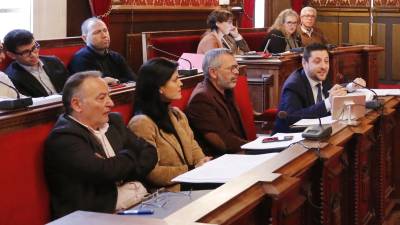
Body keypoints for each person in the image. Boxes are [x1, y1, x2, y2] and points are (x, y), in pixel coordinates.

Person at [44, 71, 157, 219]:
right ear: (77, 104)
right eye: (102, 98)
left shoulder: (114, 122)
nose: (111, 103)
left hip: (135, 203)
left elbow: (150, 152)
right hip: (93, 216)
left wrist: (119, 167)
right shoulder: (63, 138)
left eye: (108, 96)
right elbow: (105, 172)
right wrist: (130, 154)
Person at [128, 58, 211, 192]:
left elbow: (193, 145)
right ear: (159, 87)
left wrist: (203, 163)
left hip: (190, 180)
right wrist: (191, 170)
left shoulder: (176, 114)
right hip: (167, 191)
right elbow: (152, 173)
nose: (181, 83)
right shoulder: (141, 123)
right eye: (175, 80)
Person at [274, 43, 366, 133]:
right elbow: (291, 118)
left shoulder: (320, 75)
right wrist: (328, 102)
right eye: (317, 61)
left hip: (319, 134)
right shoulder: (293, 85)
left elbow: (333, 90)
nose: (323, 66)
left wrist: (351, 86)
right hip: (292, 140)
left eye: (326, 61)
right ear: (304, 63)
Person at [185, 48, 248, 157]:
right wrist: (254, 147)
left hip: (239, 152)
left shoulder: (226, 89)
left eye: (237, 67)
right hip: (220, 160)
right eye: (231, 68)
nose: (237, 72)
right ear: (213, 72)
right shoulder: (201, 99)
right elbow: (222, 142)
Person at [3, 29, 69, 97]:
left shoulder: (54, 61)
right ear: (11, 55)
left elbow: (71, 86)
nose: (34, 55)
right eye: (26, 52)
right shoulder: (11, 78)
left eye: (34, 48)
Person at [68, 17, 136, 84]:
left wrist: (116, 81)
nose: (104, 35)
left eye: (105, 30)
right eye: (97, 32)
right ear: (85, 38)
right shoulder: (81, 59)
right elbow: (89, 88)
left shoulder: (116, 57)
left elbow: (133, 80)